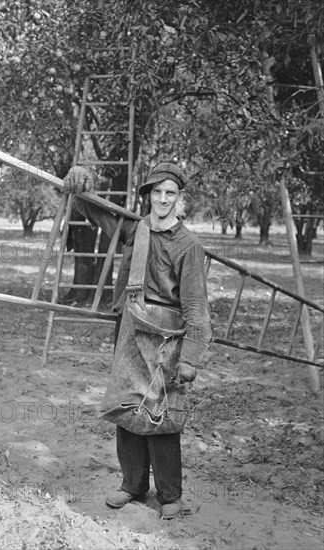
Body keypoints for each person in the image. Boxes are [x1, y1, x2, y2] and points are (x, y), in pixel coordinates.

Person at [64, 162, 212, 519]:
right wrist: (78, 180)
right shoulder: (134, 229)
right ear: (148, 195)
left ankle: (169, 494)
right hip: (130, 327)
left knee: (161, 413)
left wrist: (190, 357)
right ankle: (132, 485)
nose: (163, 199)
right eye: (157, 192)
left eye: (170, 193)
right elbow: (91, 208)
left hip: (166, 336)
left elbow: (195, 304)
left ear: (178, 198)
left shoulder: (188, 245)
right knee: (127, 406)